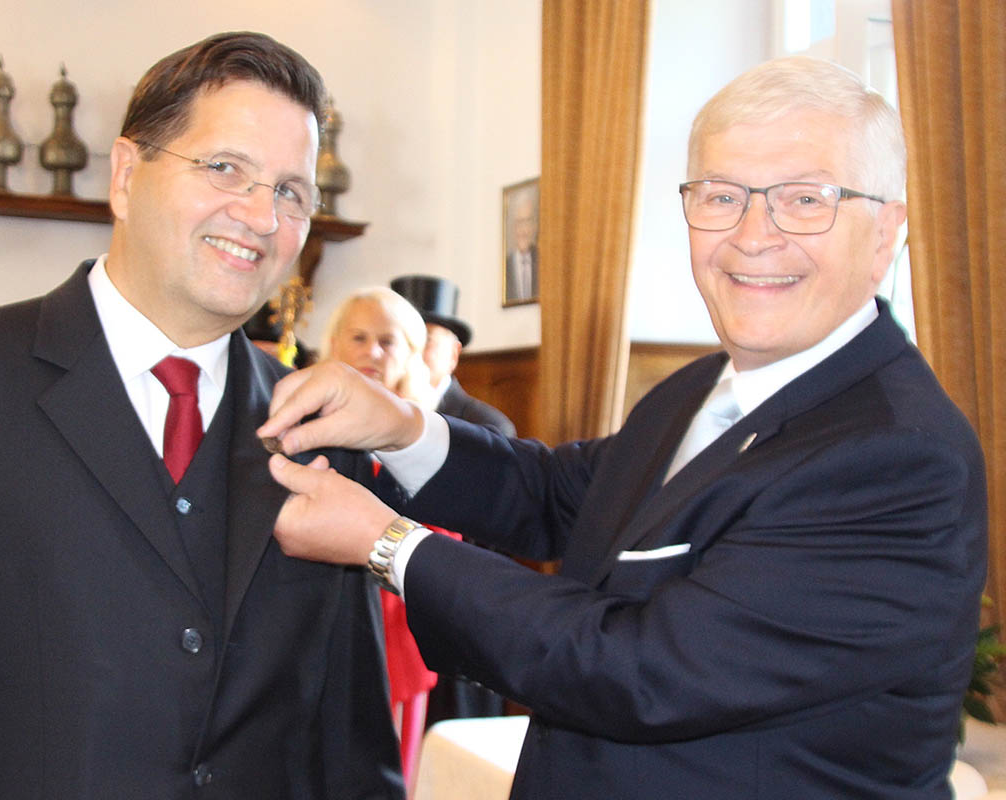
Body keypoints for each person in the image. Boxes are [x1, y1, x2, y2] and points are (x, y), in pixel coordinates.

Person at [258, 56, 988, 799]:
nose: (753, 235)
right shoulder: (699, 388)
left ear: (886, 229)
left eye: (805, 199)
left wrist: (387, 545)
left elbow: (643, 673)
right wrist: (400, 427)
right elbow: (553, 496)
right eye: (722, 195)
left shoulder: (898, 456)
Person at [0, 33, 403, 799]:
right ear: (126, 175)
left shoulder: (319, 423)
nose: (261, 215)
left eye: (291, 191)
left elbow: (348, 734)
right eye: (226, 168)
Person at [320, 285, 443, 786]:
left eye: (387, 341)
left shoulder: (430, 436)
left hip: (395, 634)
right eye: (359, 337)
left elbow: (442, 544)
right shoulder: (301, 421)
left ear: (411, 355)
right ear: (334, 345)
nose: (372, 351)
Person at [391, 274, 516, 437]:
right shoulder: (373, 411)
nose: (411, 349)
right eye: (398, 339)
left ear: (453, 354)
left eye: (425, 339)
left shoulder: (487, 426)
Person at [504, 186, 539, 303]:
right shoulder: (506, 264)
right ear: (513, 227)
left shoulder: (542, 262)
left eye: (527, 222)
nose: (523, 231)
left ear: (534, 225)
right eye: (519, 222)